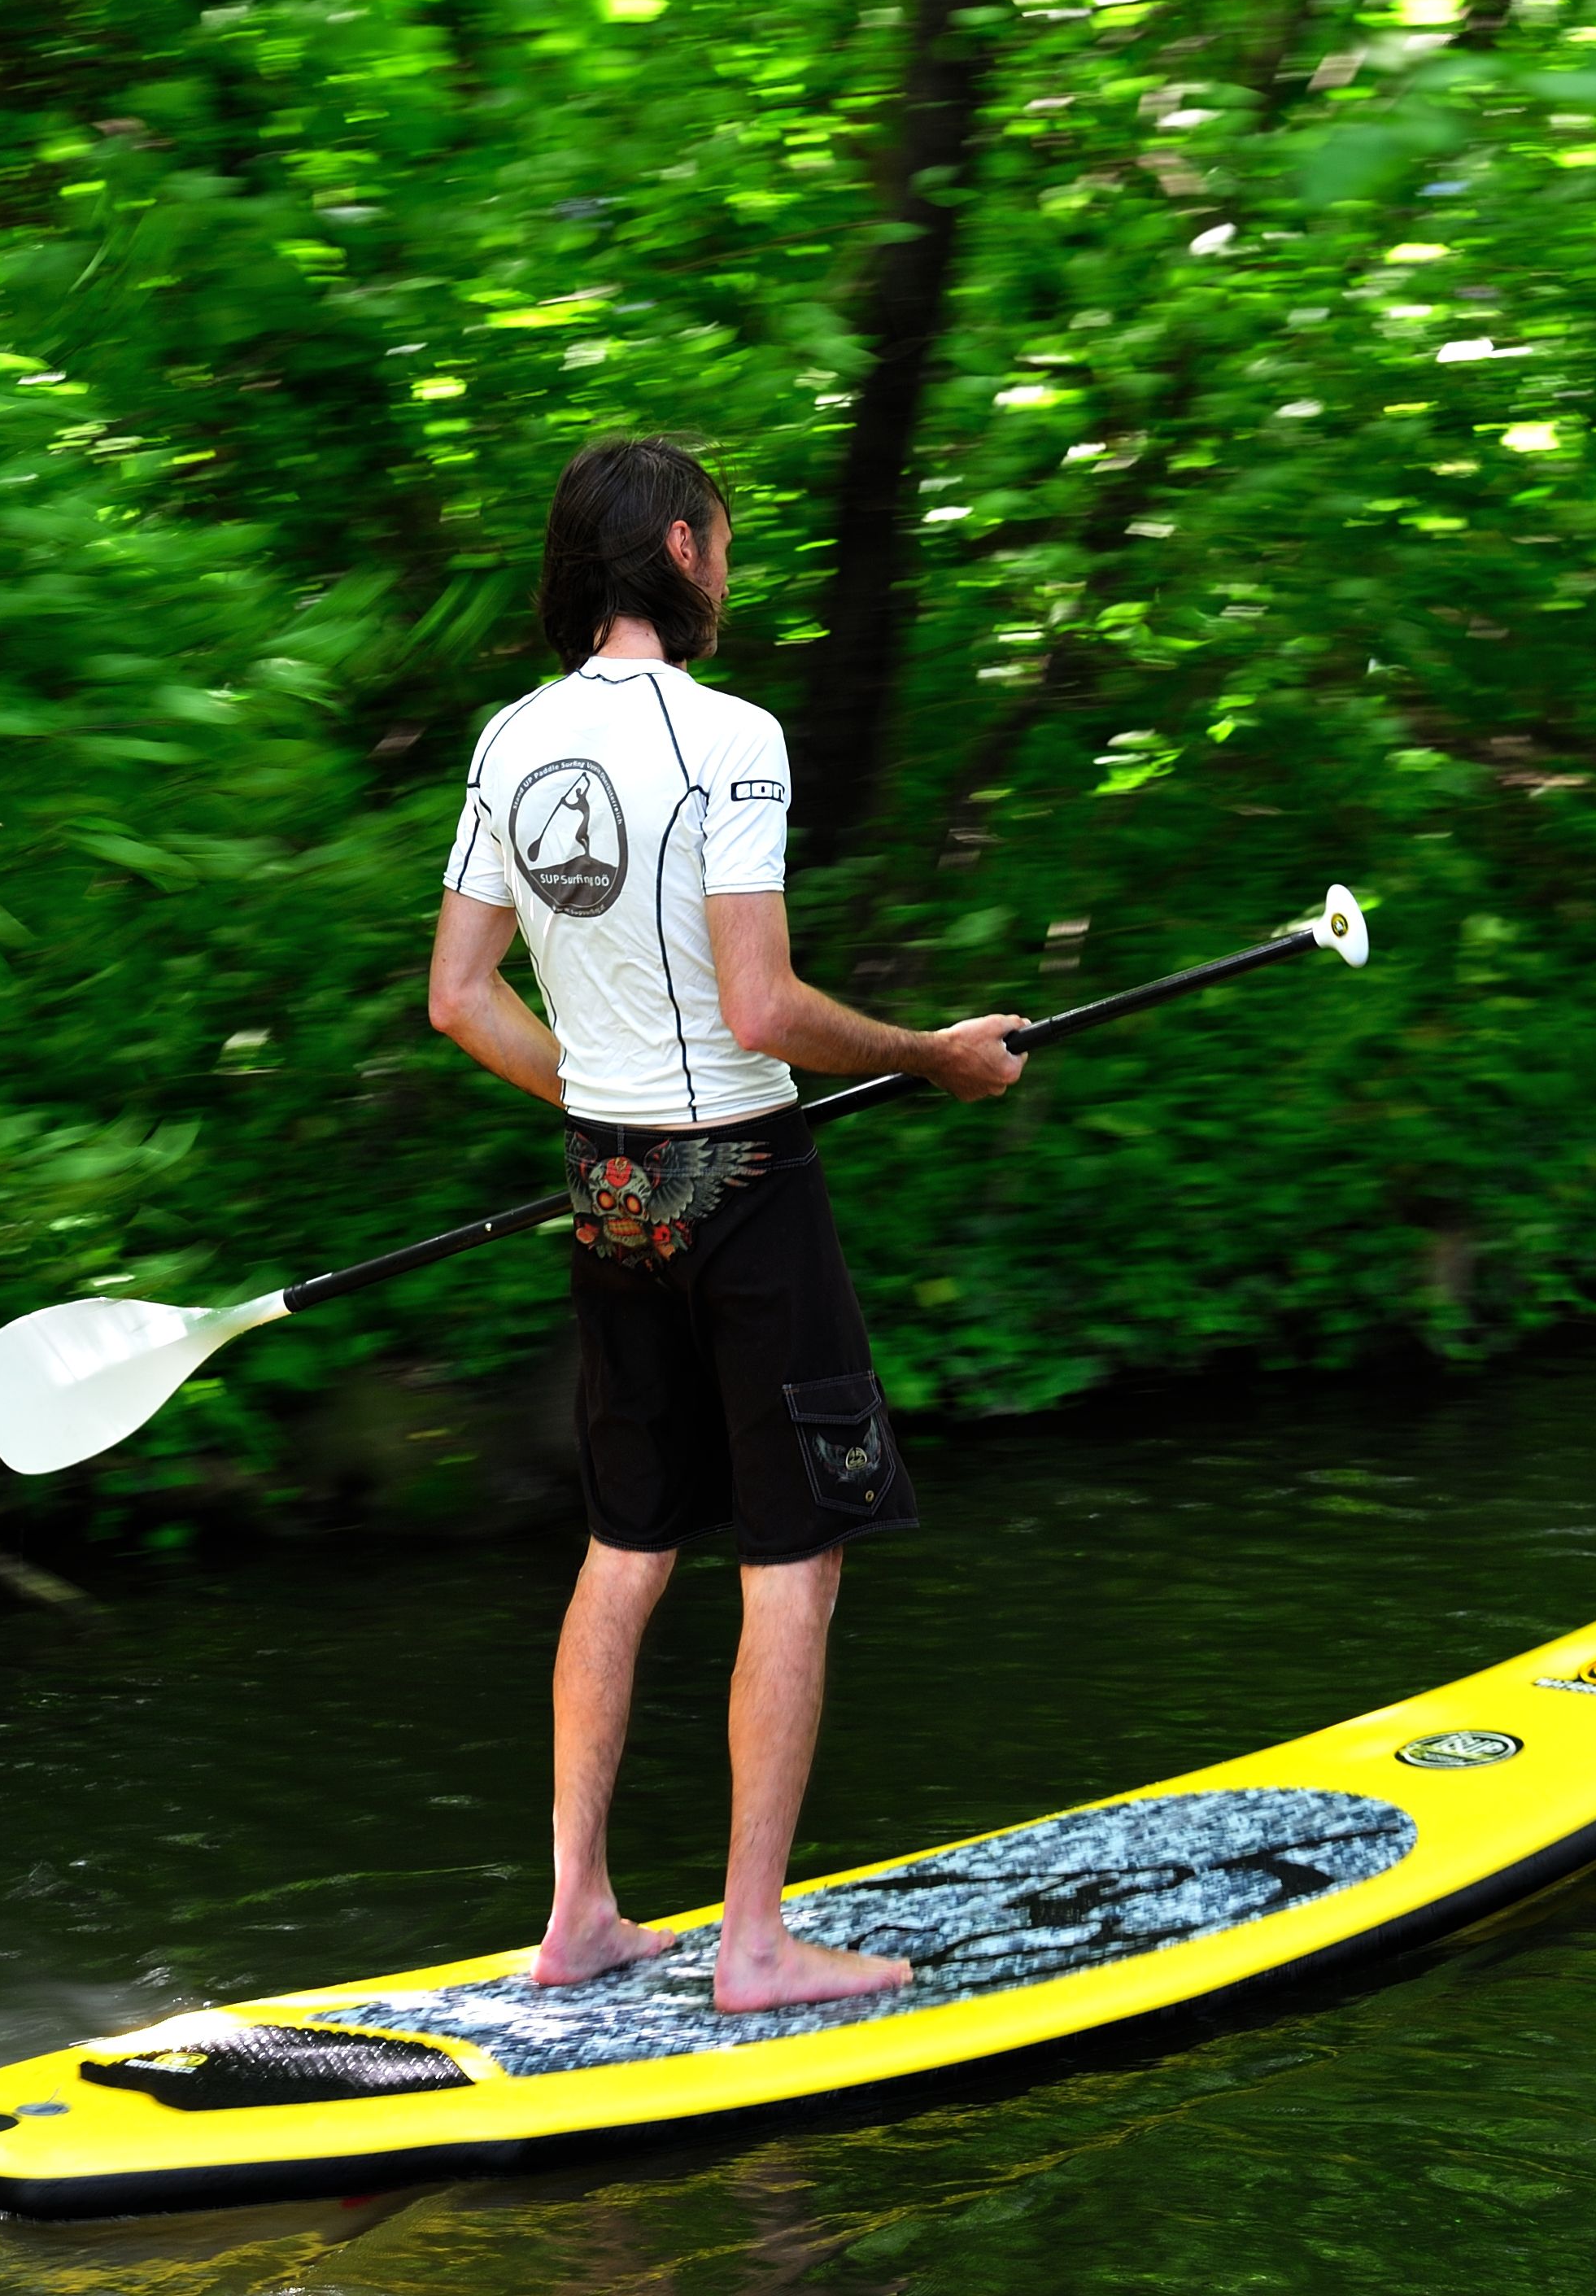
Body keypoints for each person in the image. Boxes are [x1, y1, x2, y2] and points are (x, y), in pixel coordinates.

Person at [425, 436, 1027, 2014]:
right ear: (684, 550)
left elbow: (455, 998)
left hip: (611, 1189)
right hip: (748, 1191)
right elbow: (760, 1004)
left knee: (626, 1547)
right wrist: (933, 1056)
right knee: (792, 1559)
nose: (730, 569)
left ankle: (577, 1917)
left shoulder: (510, 742)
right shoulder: (731, 737)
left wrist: (604, 1106)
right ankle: (753, 1947)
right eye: (726, 544)